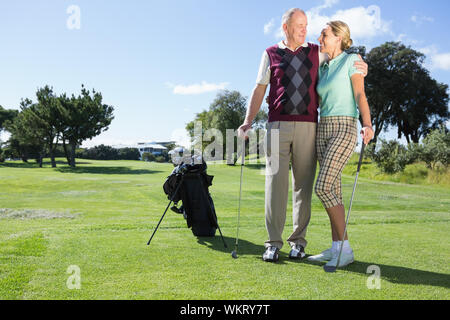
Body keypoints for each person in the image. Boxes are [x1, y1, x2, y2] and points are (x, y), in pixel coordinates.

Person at [238, 8, 368, 262]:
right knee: (275, 185)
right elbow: (259, 88)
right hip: (276, 125)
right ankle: (273, 243)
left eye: (306, 25)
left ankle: (298, 241)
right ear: (285, 27)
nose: (304, 30)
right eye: (298, 25)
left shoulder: (314, 52)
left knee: (304, 187)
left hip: (309, 126)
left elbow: (341, 56)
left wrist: (362, 63)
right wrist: (247, 121)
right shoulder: (270, 53)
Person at [306, 21, 374, 268]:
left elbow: (360, 95)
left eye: (324, 34)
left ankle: (344, 248)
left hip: (345, 127)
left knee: (322, 187)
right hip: (323, 128)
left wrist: (367, 124)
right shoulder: (323, 66)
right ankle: (336, 247)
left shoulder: (352, 60)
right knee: (333, 189)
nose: (320, 37)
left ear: (339, 37)